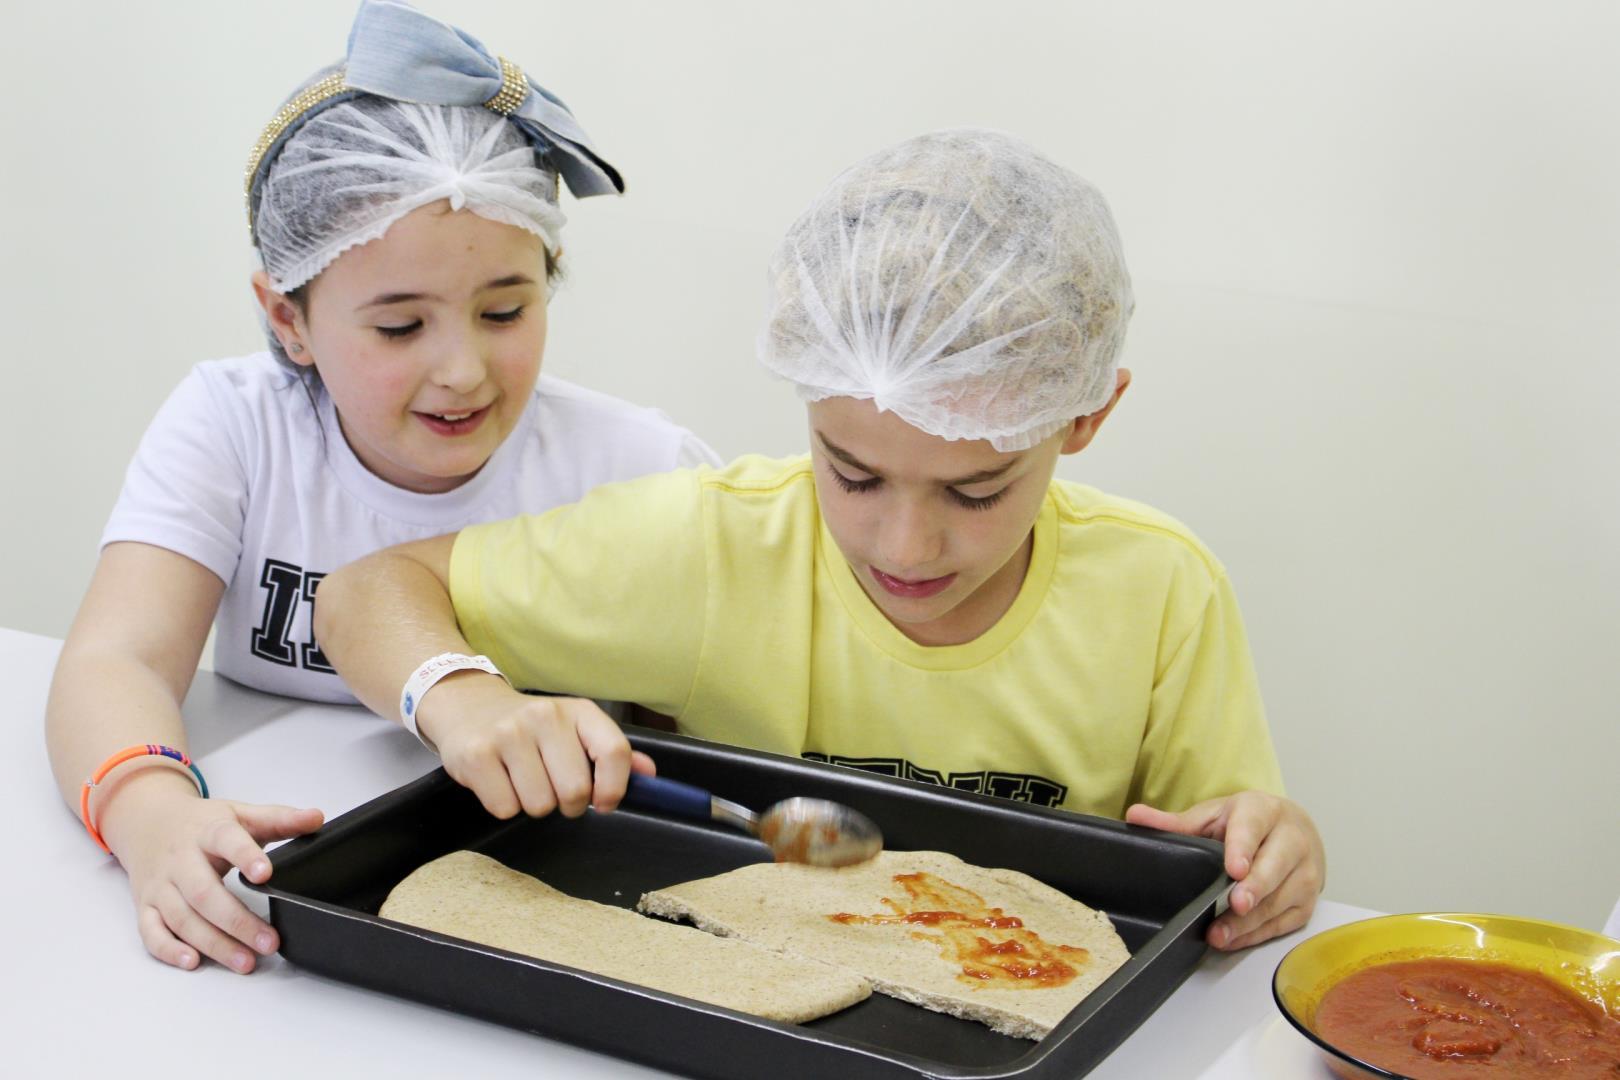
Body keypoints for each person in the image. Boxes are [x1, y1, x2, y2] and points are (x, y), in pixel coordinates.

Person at [314, 129, 1326, 951]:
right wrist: (463, 697)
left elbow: (1219, 855)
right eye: (853, 474)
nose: (907, 544)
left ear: (1081, 421)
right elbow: (366, 593)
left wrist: (1271, 854)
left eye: (975, 489)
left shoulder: (1156, 592)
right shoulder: (718, 548)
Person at [44, 0, 717, 977]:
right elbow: (116, 662)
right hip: (293, 901)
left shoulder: (637, 467)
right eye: (400, 328)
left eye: (504, 309)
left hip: (542, 910)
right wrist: (150, 815)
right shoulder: (236, 424)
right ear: (289, 319)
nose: (463, 372)